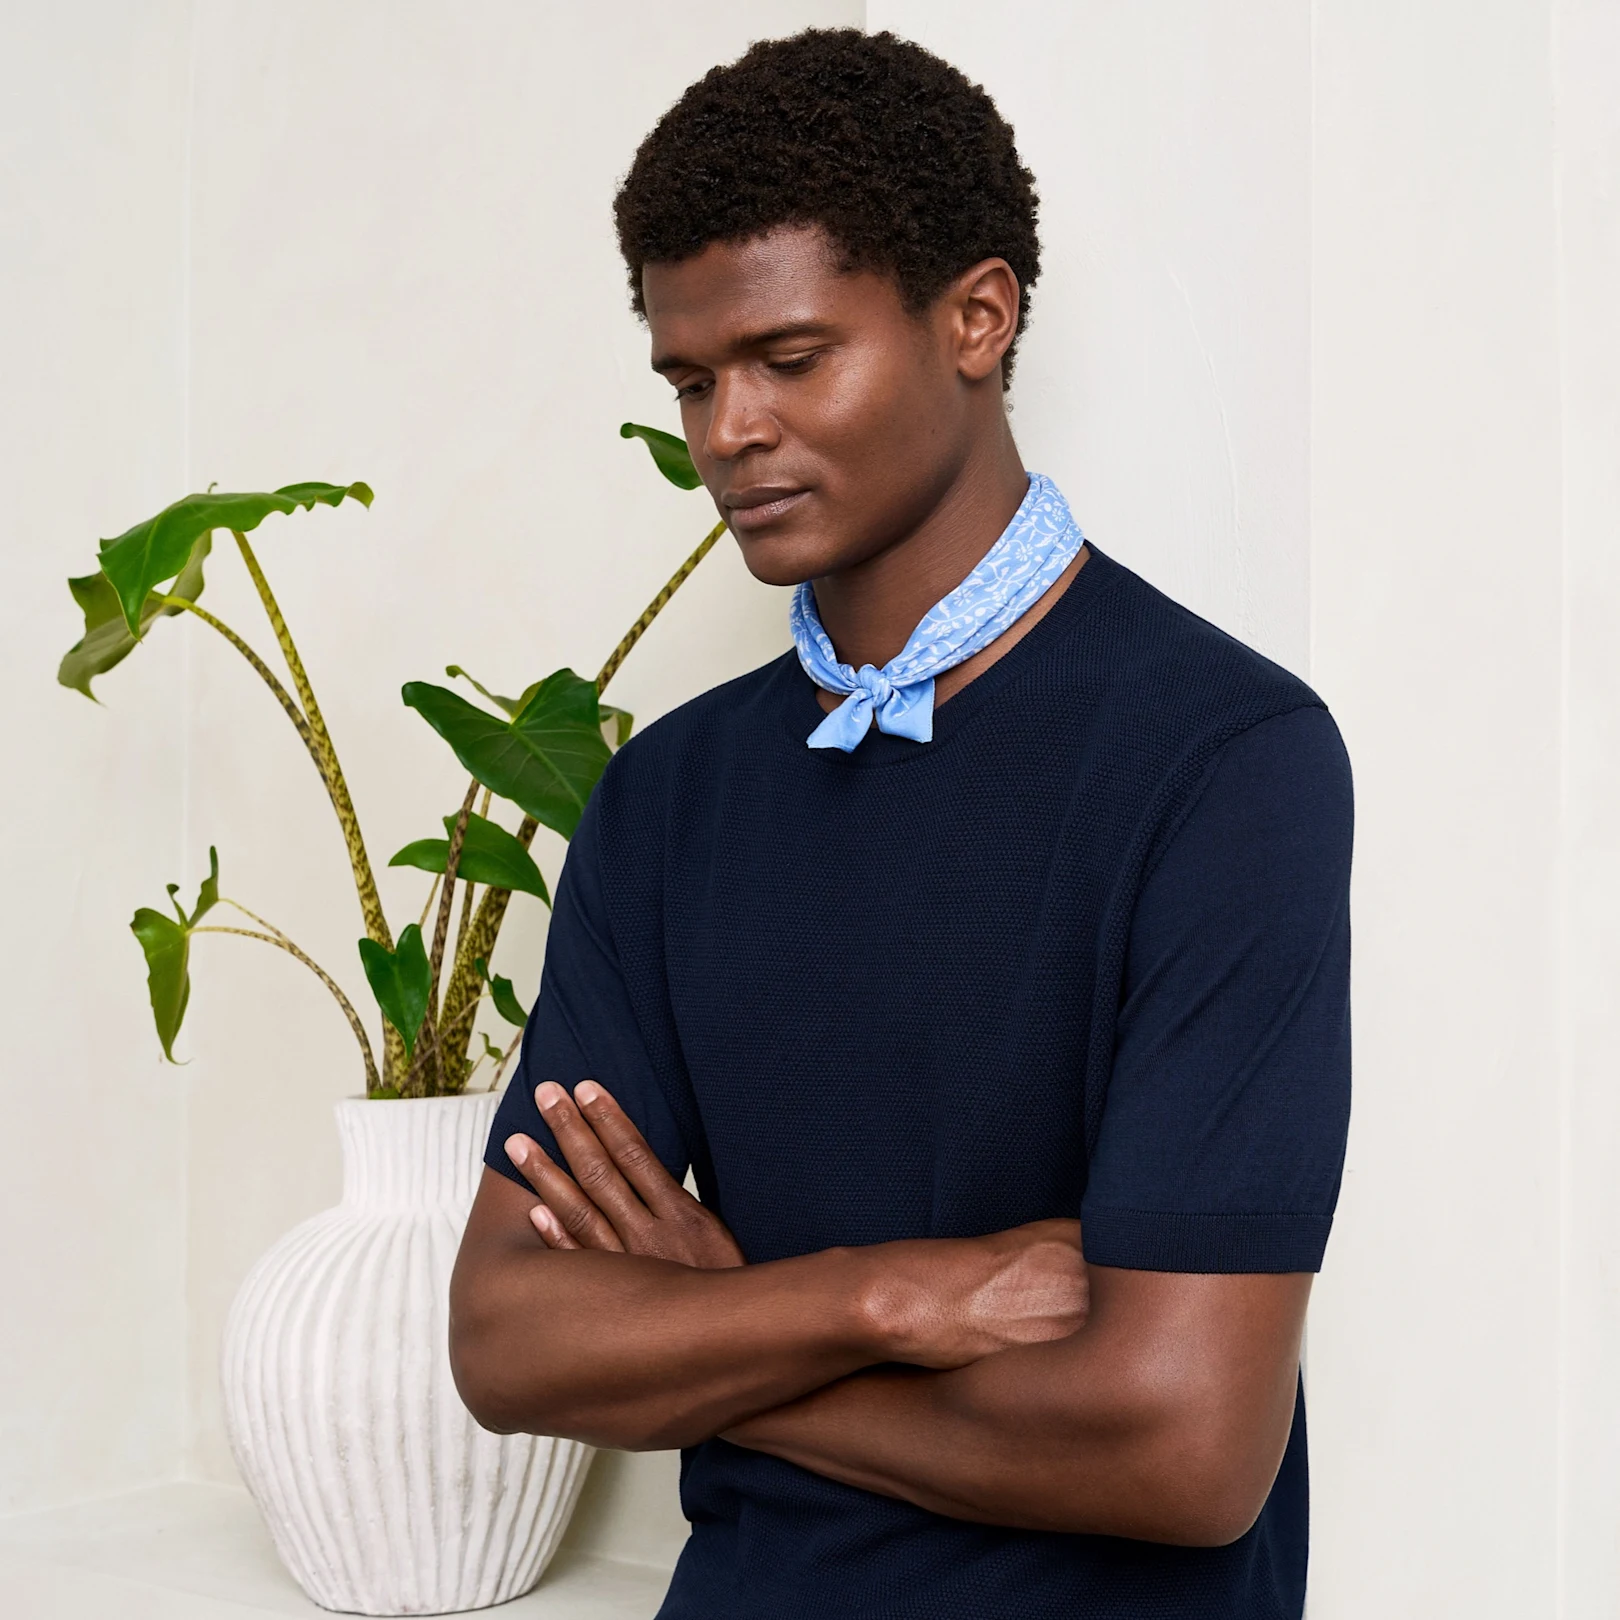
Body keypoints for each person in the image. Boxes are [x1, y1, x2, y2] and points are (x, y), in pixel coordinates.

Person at [449, 27, 1351, 1620]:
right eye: (691, 377)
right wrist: (888, 1294)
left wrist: (725, 1321)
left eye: (790, 360)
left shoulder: (1226, 759)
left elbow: (1187, 1449)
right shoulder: (667, 796)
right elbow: (510, 1339)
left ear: (977, 320)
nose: (727, 429)